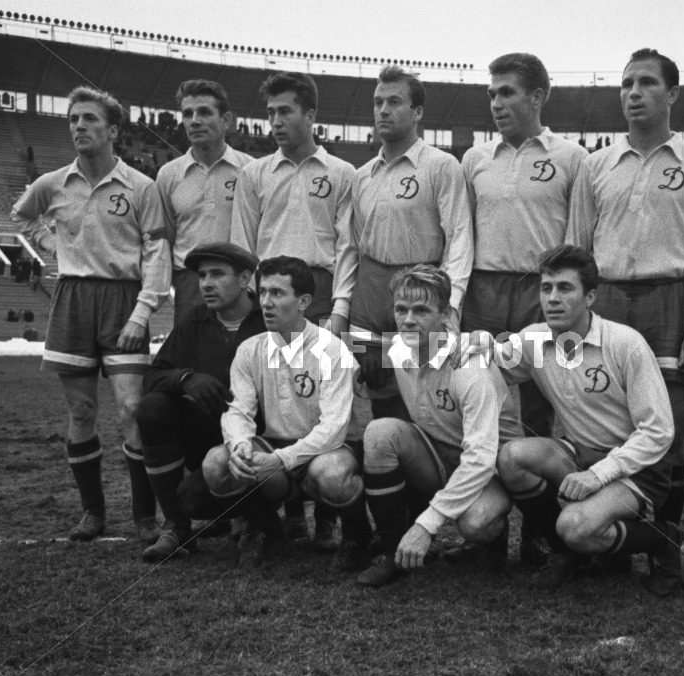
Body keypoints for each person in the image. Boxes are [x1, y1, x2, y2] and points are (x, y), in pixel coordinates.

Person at [568, 49, 684, 530]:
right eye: (627, 84)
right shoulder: (596, 165)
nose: (634, 93)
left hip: (670, 302)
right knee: (603, 430)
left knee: (667, 435)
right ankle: (611, 536)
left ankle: (666, 543)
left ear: (672, 93)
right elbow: (576, 249)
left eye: (647, 83)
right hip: (607, 301)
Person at [11, 86, 171, 542]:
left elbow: (157, 252)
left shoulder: (141, 187)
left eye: (89, 119)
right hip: (72, 300)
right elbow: (22, 216)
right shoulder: (53, 183)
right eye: (73, 120)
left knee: (133, 410)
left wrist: (143, 311)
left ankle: (144, 516)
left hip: (123, 300)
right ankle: (93, 513)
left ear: (113, 130)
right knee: (81, 411)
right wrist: (52, 245)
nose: (78, 126)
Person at [490, 245, 681, 596]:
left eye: (565, 288)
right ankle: (566, 554)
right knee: (512, 458)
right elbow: (483, 363)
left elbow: (658, 431)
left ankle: (663, 539)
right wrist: (445, 343)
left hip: (637, 468)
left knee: (575, 526)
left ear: (590, 296)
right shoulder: (533, 339)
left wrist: (599, 474)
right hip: (581, 454)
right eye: (546, 288)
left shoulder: (625, 343)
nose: (552, 298)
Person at [461, 52, 587, 565]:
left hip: (541, 291)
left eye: (507, 92)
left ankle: (538, 532)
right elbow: (464, 235)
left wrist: (563, 299)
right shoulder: (474, 159)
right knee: (481, 407)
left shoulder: (571, 157)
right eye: (492, 94)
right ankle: (486, 533)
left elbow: (577, 240)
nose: (496, 103)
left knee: (538, 412)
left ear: (537, 96)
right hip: (484, 289)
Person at [201, 256, 372, 570]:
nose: (266, 302)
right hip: (277, 448)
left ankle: (358, 536)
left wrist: (280, 459)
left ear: (303, 302)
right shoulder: (250, 349)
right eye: (263, 292)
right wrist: (240, 444)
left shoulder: (332, 350)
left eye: (278, 293)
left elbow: (334, 428)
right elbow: (237, 410)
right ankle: (264, 527)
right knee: (216, 464)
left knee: (331, 475)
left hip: (328, 449)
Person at [356, 265, 522, 588]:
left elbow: (481, 458)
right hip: (439, 455)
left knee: (476, 522)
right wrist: (353, 373)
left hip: (491, 468)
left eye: (421, 310)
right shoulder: (399, 348)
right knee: (378, 433)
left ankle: (493, 541)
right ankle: (392, 552)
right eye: (401, 309)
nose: (408, 320)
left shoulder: (468, 365)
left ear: (446, 315)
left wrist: (426, 525)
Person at [349, 66, 473, 420]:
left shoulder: (441, 166)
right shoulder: (361, 176)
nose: (383, 110)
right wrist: (346, 308)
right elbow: (353, 246)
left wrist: (450, 304)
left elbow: (459, 237)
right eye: (378, 102)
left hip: (420, 287)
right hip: (371, 291)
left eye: (394, 102)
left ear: (417, 112)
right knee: (378, 388)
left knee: (426, 393)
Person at [136, 243, 264, 561]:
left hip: (263, 441)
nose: (206, 283)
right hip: (211, 440)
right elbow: (153, 376)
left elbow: (323, 355)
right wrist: (186, 379)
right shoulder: (194, 321)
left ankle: (260, 519)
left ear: (245, 279)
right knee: (152, 408)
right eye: (202, 275)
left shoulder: (269, 318)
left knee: (199, 493)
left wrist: (384, 351)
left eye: (217, 274)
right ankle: (177, 528)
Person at [231, 72, 356, 337]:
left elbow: (347, 246)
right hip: (269, 289)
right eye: (271, 113)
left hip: (320, 292)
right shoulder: (253, 174)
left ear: (310, 117)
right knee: (273, 363)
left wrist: (341, 308)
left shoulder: (343, 173)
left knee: (322, 363)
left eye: (285, 112)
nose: (276, 122)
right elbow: (242, 245)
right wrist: (252, 299)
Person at [156, 80, 254, 322]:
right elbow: (166, 238)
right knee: (191, 347)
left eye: (204, 112)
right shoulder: (168, 175)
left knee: (243, 347)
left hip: (240, 280)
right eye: (187, 114)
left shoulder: (251, 170)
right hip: (191, 282)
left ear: (226, 120)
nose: (194, 121)